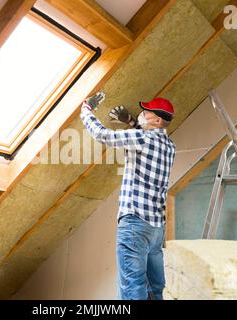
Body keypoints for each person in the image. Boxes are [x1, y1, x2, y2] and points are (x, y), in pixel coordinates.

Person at [80, 92, 176, 300]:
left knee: (132, 289)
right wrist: (131, 121)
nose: (142, 113)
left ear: (158, 120)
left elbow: (103, 135)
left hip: (134, 225)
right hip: (156, 229)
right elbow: (148, 144)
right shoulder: (170, 147)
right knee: (154, 289)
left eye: (146, 112)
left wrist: (86, 110)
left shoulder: (142, 138)